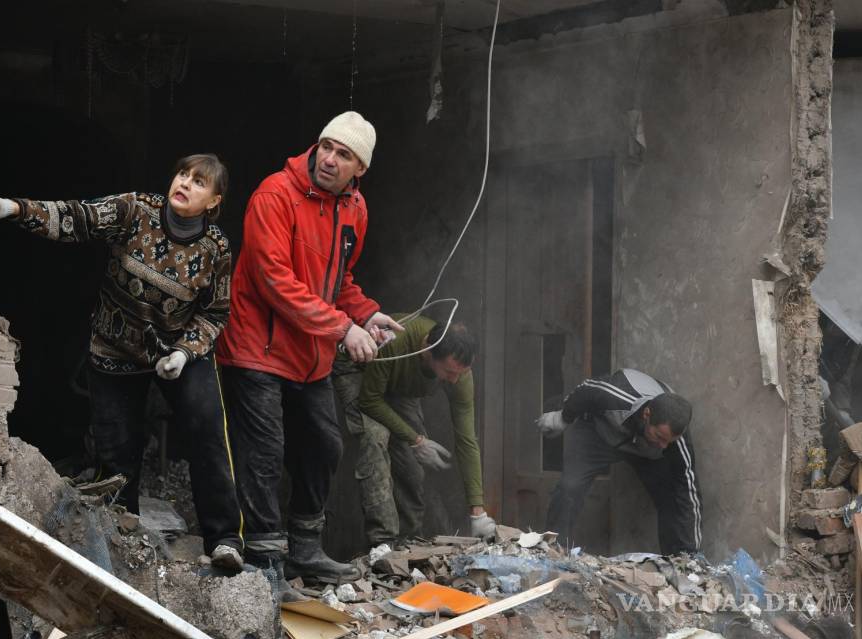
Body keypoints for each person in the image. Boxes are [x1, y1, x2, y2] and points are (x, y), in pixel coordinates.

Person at [0, 154, 244, 571]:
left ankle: (224, 540)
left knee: (208, 431)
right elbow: (76, 218)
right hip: (115, 349)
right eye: (182, 174)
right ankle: (125, 542)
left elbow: (215, 313)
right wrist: (14, 209)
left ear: (214, 201)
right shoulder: (135, 210)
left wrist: (184, 352)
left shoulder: (217, 249)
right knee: (117, 453)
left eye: (199, 182)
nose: (185, 183)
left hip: (178, 352)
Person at [216, 112, 403, 589]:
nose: (330, 159)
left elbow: (338, 281)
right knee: (264, 451)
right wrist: (344, 330)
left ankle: (304, 549)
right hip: (258, 346)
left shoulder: (355, 210)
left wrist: (365, 314)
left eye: (344, 155)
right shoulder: (274, 194)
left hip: (308, 352)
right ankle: (263, 560)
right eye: (326, 147)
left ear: (360, 168)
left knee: (324, 445)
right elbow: (274, 281)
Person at [332, 316, 497, 550]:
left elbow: (466, 438)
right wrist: (415, 439)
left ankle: (409, 541)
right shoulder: (395, 341)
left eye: (462, 372)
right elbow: (370, 400)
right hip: (359, 369)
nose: (454, 380)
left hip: (400, 387)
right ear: (427, 350)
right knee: (375, 441)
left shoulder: (459, 373)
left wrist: (477, 512)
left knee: (413, 467)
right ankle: (383, 545)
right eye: (449, 372)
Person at [536, 368, 700, 555]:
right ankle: (554, 548)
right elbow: (585, 390)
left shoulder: (673, 441)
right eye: (660, 436)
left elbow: (688, 492)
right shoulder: (615, 396)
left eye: (668, 441)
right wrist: (562, 418)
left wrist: (691, 552)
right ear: (647, 414)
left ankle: (679, 560)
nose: (664, 446)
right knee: (570, 486)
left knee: (672, 499)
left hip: (645, 451)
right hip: (599, 435)